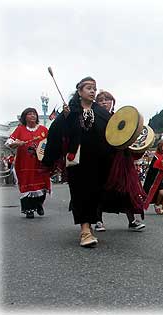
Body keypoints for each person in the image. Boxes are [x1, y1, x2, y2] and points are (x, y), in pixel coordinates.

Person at [42, 76, 113, 247]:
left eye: (94, 88)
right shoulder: (70, 111)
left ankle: (91, 223)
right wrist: (67, 119)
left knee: (96, 193)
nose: (92, 91)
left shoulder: (101, 113)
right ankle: (85, 230)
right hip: (77, 160)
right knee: (80, 192)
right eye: (88, 88)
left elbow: (114, 134)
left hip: (99, 160)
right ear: (79, 91)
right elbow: (56, 133)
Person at [95, 90, 146, 232]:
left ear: (113, 102)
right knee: (100, 191)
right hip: (101, 160)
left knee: (126, 191)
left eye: (107, 99)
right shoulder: (94, 119)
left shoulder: (120, 119)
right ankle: (98, 221)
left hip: (120, 160)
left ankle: (132, 221)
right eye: (100, 100)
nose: (104, 102)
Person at [5, 108, 51, 218]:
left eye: (34, 114)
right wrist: (16, 143)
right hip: (24, 163)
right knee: (27, 186)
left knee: (42, 185)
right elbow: (9, 142)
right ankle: (29, 210)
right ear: (24, 117)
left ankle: (39, 204)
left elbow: (50, 143)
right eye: (29, 114)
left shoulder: (43, 130)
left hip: (40, 163)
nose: (32, 116)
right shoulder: (20, 129)